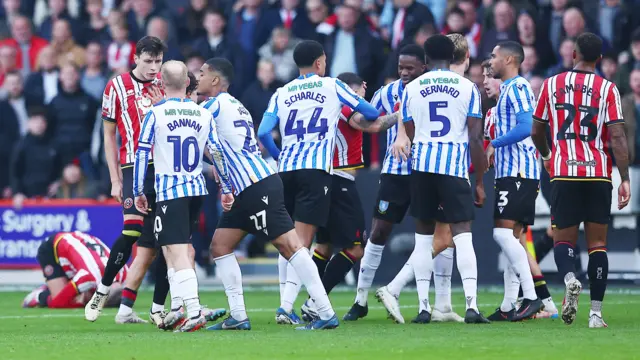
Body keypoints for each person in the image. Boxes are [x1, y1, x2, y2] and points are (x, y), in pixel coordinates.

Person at [198, 57, 339, 331]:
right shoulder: (235, 105)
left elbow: (198, 134)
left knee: (290, 246)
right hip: (249, 185)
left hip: (255, 185)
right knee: (220, 246)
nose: (198, 76)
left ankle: (325, 312)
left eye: (202, 73)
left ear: (215, 80)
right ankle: (238, 316)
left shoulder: (211, 106)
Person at [256, 40, 379, 324]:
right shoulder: (332, 85)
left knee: (290, 239)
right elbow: (370, 114)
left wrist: (280, 154)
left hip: (286, 170)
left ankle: (286, 304)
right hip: (315, 170)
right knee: (302, 245)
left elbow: (263, 131)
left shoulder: (282, 91)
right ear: (320, 62)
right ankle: (305, 308)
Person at [372, 34, 475, 324]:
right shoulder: (467, 88)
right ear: (463, 57)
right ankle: (394, 288)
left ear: (427, 61)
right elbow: (474, 135)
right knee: (446, 236)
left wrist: (407, 138)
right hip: (452, 168)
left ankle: (439, 304)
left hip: (423, 165)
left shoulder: (415, 88)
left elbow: (407, 125)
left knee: (441, 238)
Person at [531, 32, 631, 328]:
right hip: (599, 172)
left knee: (564, 239)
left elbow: (537, 129)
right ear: (599, 59)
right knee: (598, 244)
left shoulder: (551, 85)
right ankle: (596, 314)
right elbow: (617, 137)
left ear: (573, 54)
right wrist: (624, 178)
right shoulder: (608, 88)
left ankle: (570, 279)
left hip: (563, 171)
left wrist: (547, 155)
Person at [300, 71, 400, 321]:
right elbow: (374, 124)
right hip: (340, 182)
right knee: (355, 249)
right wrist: (403, 114)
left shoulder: (327, 106)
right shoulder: (345, 106)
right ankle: (316, 301)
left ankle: (311, 300)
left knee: (323, 246)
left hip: (324, 178)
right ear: (361, 87)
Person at [132, 60, 223, 332]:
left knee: (177, 250)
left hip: (171, 192)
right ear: (187, 83)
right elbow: (216, 152)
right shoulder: (202, 114)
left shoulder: (155, 114)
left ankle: (193, 311)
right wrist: (227, 186)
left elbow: (141, 154)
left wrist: (137, 191)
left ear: (160, 83)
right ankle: (178, 308)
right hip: (196, 191)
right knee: (175, 251)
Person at [85, 36, 170, 325]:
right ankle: (103, 289)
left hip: (166, 168)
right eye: (148, 61)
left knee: (165, 242)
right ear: (135, 58)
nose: (153, 67)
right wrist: (115, 177)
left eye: (157, 61)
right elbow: (109, 135)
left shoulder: (165, 85)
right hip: (135, 165)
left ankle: (152, 308)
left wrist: (167, 105)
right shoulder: (116, 86)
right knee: (132, 231)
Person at [343, 44, 427, 322]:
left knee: (430, 238)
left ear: (423, 67)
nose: (403, 72)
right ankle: (360, 299)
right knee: (378, 233)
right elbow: (367, 120)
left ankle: (426, 304)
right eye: (400, 67)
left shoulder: (431, 90)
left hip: (426, 171)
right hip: (394, 172)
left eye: (410, 68)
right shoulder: (388, 93)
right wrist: (373, 124)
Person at [480, 60, 559, 321]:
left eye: (489, 76)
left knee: (503, 236)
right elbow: (487, 147)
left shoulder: (518, 88)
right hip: (507, 176)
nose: (484, 81)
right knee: (513, 241)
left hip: (520, 174)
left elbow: (527, 127)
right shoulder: (494, 113)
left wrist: (493, 145)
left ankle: (534, 297)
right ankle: (508, 306)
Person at [24, 231, 126, 309]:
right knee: (68, 299)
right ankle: (38, 295)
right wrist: (81, 302)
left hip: (77, 244)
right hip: (52, 247)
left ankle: (63, 284)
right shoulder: (88, 277)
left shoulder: (125, 273)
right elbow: (57, 303)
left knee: (80, 295)